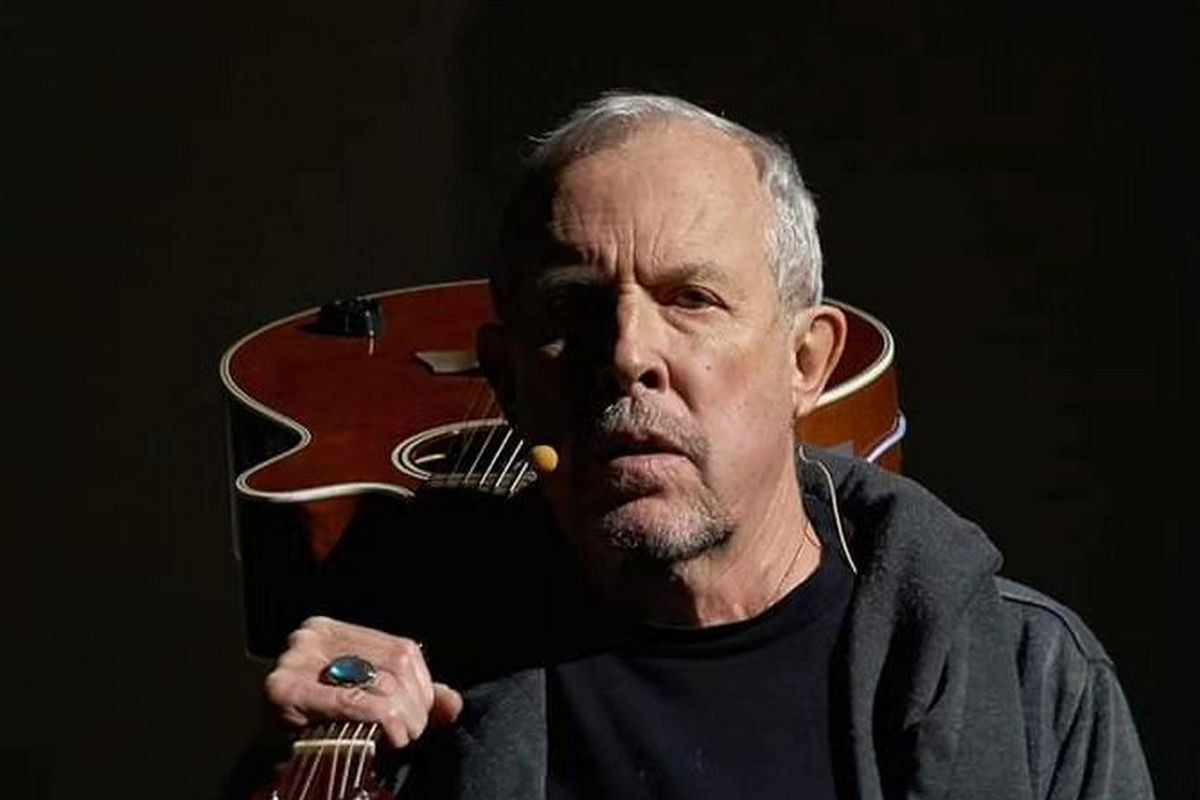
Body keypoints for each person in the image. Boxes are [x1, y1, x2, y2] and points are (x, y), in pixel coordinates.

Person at [258, 93, 1154, 799]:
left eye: (691, 298)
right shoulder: (413, 673)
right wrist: (291, 768)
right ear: (509, 376)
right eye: (574, 306)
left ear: (806, 362)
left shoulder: (1031, 681)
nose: (628, 355)